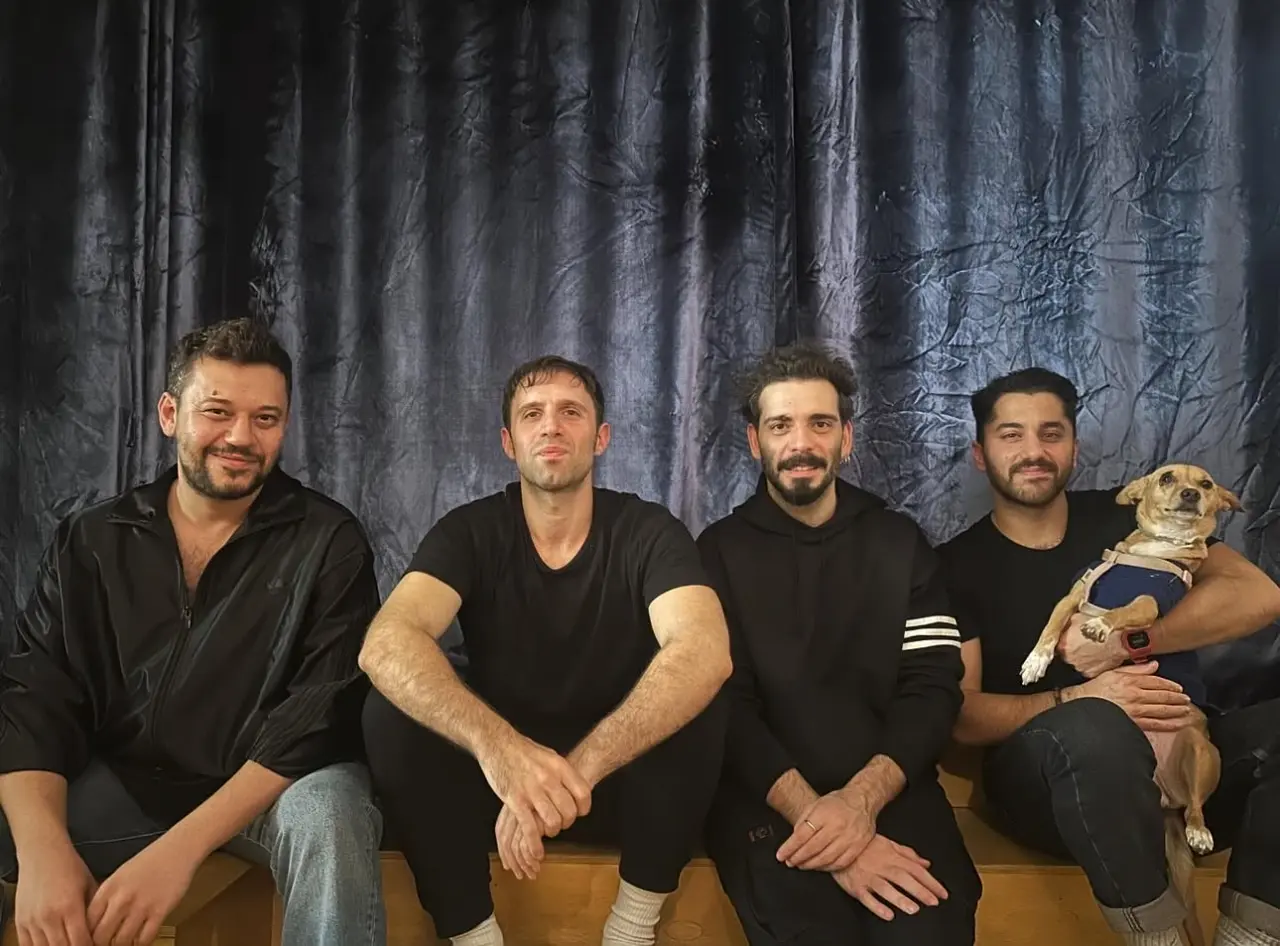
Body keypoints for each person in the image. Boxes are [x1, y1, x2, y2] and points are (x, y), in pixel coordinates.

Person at [0, 318, 386, 946]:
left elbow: (317, 718)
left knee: (331, 811)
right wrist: (42, 853)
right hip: (126, 788)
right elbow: (34, 700)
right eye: (217, 411)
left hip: (268, 795)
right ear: (169, 413)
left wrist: (178, 853)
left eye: (265, 418)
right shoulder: (91, 540)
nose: (240, 437)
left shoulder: (330, 541)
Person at [358, 355, 732, 946]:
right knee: (388, 710)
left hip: (618, 784)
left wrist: (566, 777)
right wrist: (503, 755)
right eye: (532, 414)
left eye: (570, 412)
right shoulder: (469, 531)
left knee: (701, 698)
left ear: (600, 437)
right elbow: (385, 643)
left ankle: (631, 931)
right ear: (509, 442)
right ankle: (474, 937)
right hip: (495, 791)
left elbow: (704, 649)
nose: (551, 426)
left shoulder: (648, 530)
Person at [938, 367, 1280, 946]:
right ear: (980, 453)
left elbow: (1259, 597)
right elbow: (962, 718)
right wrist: (1077, 695)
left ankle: (1250, 936)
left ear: (1074, 448)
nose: (1033, 451)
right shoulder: (952, 566)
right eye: (1011, 434)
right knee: (1094, 727)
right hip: (1049, 790)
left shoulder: (1139, 515)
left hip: (1183, 769)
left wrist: (1134, 642)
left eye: (1051, 433)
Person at [696, 342, 982, 946]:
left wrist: (860, 803)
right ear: (755, 442)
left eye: (820, 424)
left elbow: (933, 688)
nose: (801, 443)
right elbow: (723, 708)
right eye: (781, 425)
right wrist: (819, 821)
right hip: (766, 800)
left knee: (929, 931)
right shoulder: (715, 553)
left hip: (892, 790)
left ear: (846, 439)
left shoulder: (900, 544)